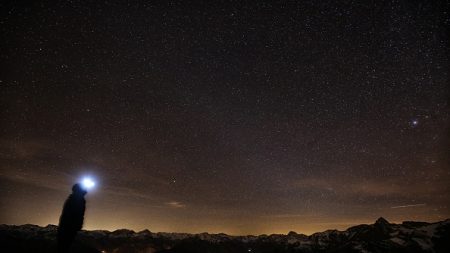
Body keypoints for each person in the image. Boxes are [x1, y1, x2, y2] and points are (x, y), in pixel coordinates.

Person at [57, 183, 87, 253]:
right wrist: (77, 226)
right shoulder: (77, 199)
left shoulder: (72, 198)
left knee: (63, 247)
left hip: (66, 227)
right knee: (65, 247)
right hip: (69, 228)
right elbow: (76, 214)